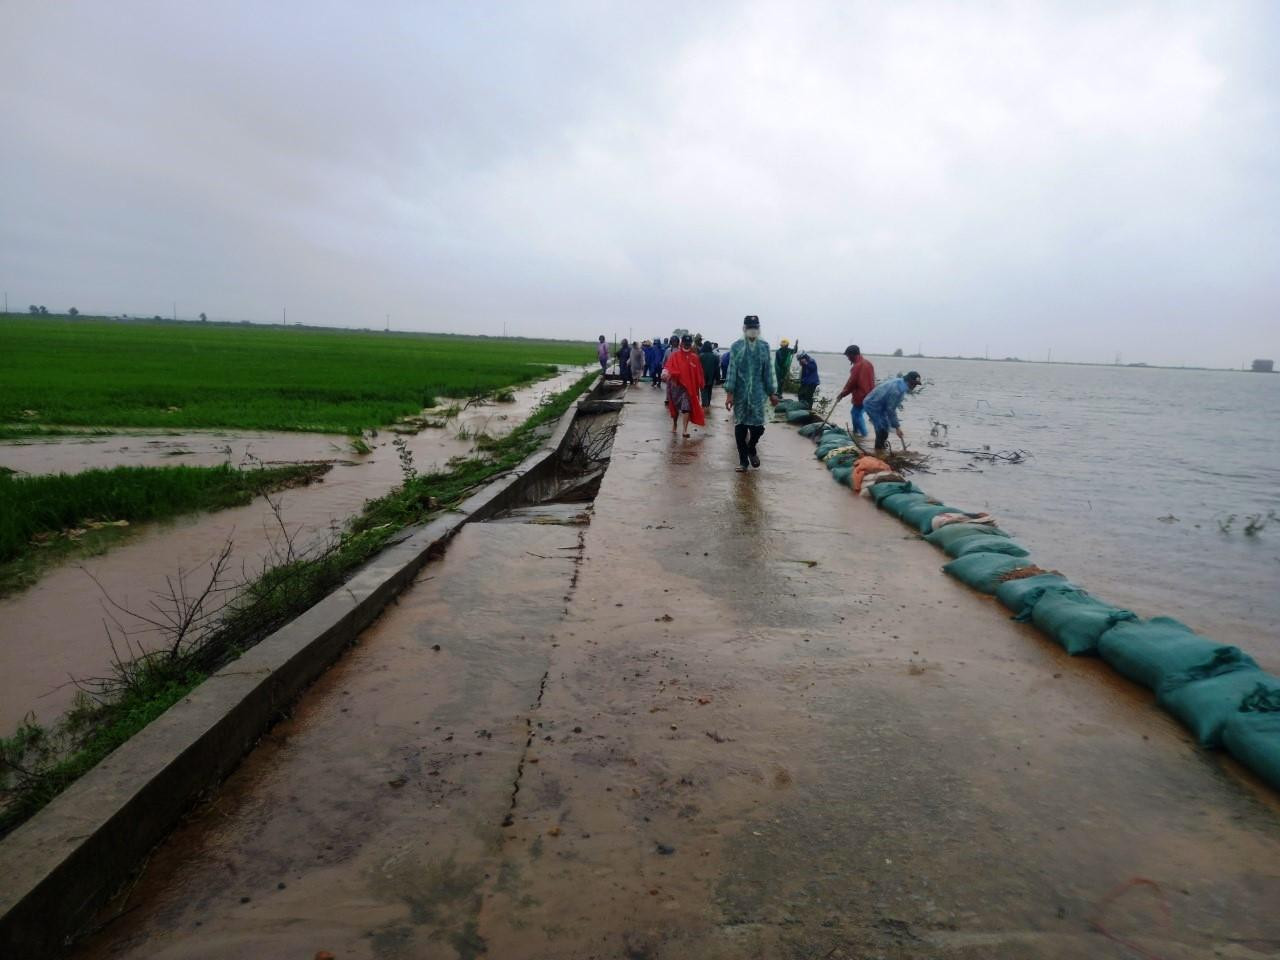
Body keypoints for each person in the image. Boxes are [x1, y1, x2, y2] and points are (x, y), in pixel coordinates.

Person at [724, 315, 778, 471]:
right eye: (750, 328)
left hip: (758, 395)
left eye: (755, 328)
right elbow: (732, 371)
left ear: (759, 329)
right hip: (740, 395)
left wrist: (772, 393)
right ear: (744, 328)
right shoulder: (736, 347)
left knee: (758, 428)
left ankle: (752, 447)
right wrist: (730, 393)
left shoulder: (764, 347)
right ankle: (743, 462)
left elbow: (768, 371)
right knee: (740, 428)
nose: (752, 331)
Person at [862, 370, 923, 452]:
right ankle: (878, 451)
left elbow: (890, 408)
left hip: (881, 405)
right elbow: (890, 409)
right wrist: (897, 427)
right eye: (913, 383)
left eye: (916, 384)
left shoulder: (901, 383)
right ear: (908, 381)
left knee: (886, 427)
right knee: (881, 430)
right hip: (872, 405)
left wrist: (895, 425)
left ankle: (880, 449)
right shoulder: (897, 390)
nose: (914, 386)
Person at [663, 333, 706, 437]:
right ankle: (674, 424)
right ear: (681, 343)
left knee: (686, 408)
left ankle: (685, 430)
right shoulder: (674, 355)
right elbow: (668, 366)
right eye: (685, 343)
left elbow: (699, 372)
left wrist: (701, 383)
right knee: (675, 409)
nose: (687, 345)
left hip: (688, 389)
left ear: (690, 344)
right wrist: (665, 373)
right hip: (675, 386)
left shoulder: (694, 357)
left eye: (688, 343)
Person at [834, 345, 875, 437]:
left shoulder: (857, 366)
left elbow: (851, 383)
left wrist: (842, 394)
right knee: (855, 413)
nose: (848, 358)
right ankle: (856, 434)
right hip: (870, 395)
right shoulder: (868, 363)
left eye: (848, 356)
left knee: (856, 414)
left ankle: (864, 436)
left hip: (861, 396)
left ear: (852, 355)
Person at [698, 340, 719, 409]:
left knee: (703, 391)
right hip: (711, 377)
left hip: (702, 377)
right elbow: (717, 369)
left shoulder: (700, 356)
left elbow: (697, 368)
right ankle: (708, 404)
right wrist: (718, 378)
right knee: (709, 390)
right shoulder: (715, 357)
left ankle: (705, 405)